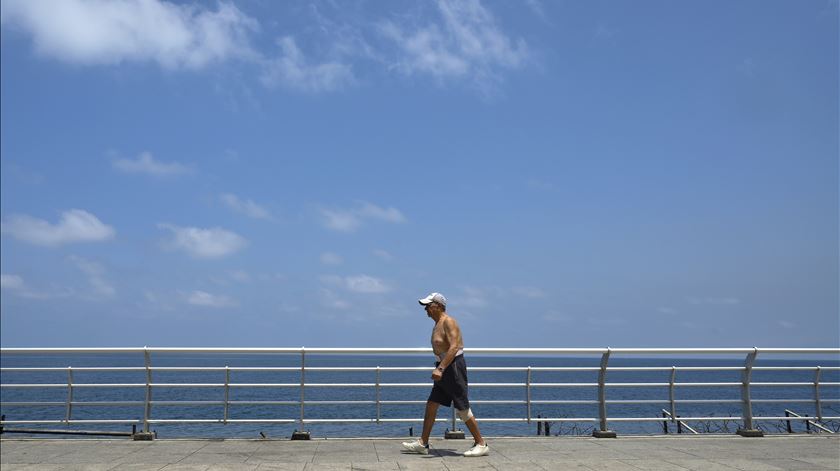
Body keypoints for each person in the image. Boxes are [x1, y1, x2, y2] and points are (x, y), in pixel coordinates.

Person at [402, 292, 489, 457]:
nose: (426, 309)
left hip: (452, 367)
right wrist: (440, 367)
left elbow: (454, 347)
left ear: (439, 306)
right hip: (443, 367)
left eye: (428, 305)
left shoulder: (449, 321)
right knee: (432, 404)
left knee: (462, 407)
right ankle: (423, 443)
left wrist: (440, 369)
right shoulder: (437, 324)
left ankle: (481, 443)